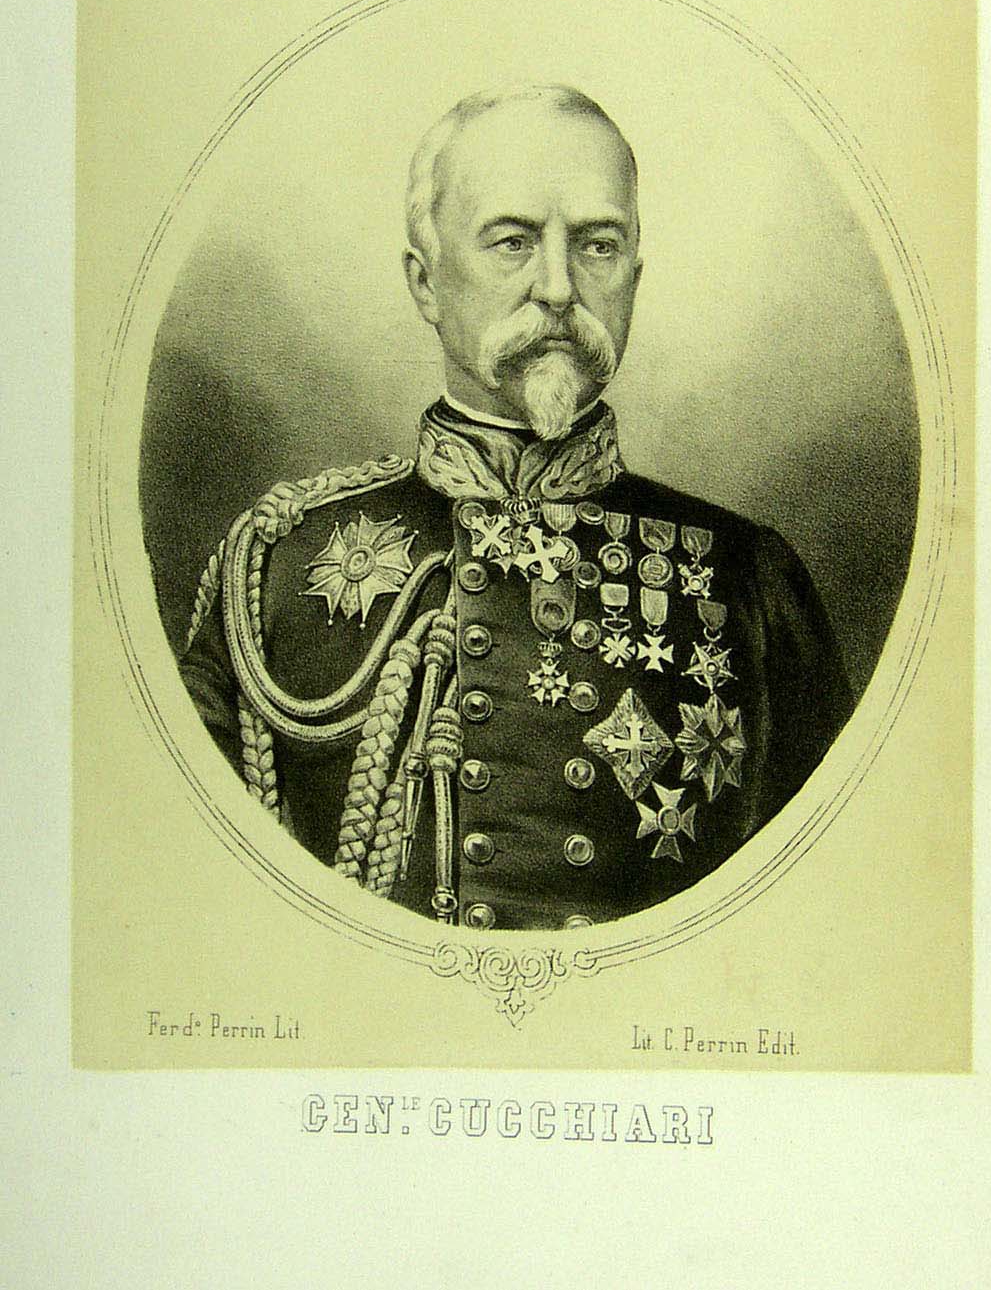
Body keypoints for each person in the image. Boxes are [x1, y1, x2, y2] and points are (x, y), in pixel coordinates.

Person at [180, 84, 853, 931]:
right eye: (512, 242)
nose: (560, 287)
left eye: (598, 245)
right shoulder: (276, 569)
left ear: (634, 276)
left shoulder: (748, 582)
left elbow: (821, 913)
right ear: (425, 283)